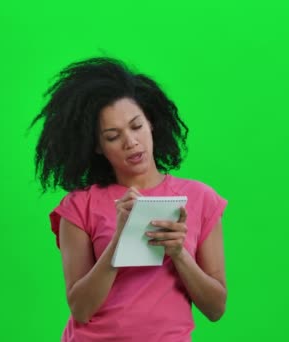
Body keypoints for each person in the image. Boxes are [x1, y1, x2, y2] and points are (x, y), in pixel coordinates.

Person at [30, 57, 228, 341]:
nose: (131, 142)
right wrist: (119, 244)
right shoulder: (79, 207)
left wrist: (178, 253)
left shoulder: (200, 199)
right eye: (113, 136)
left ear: (152, 123)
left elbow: (215, 308)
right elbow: (81, 309)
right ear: (97, 146)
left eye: (136, 126)